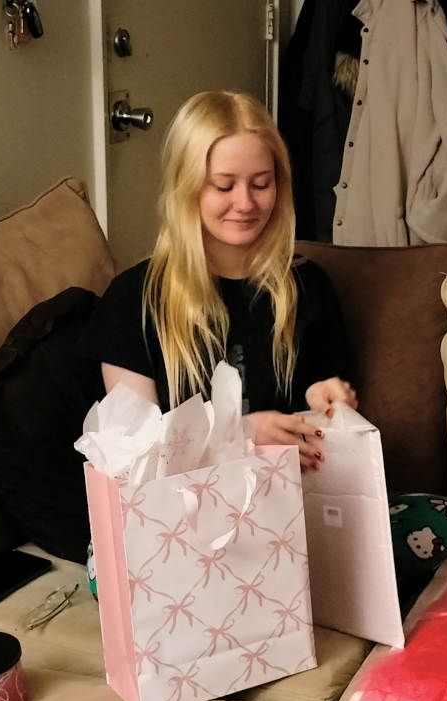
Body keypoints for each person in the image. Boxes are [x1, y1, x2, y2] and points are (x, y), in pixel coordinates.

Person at [82, 90, 358, 472]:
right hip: (180, 508)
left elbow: (323, 406)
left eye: (261, 184)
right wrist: (243, 434)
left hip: (294, 500)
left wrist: (323, 400)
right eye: (224, 186)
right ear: (186, 187)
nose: (245, 203)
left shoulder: (308, 286)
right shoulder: (132, 300)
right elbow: (134, 457)